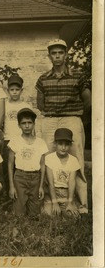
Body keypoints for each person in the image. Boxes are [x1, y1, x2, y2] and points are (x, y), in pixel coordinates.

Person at [35, 39, 91, 214]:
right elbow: (40, 104)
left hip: (71, 119)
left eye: (60, 52)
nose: (57, 56)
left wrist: (77, 115)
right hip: (50, 120)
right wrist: (53, 112)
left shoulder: (78, 75)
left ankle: (81, 206)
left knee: (76, 159)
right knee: (47, 159)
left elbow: (88, 100)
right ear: (49, 56)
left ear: (66, 55)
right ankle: (50, 203)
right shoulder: (43, 79)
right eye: (54, 53)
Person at [8, 108, 48, 217]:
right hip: (20, 177)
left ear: (34, 124)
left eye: (29, 123)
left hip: (35, 178)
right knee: (19, 215)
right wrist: (12, 187)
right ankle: (17, 206)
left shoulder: (40, 142)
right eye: (23, 123)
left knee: (35, 215)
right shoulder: (15, 141)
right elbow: (10, 164)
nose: (27, 126)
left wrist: (41, 186)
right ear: (19, 125)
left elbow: (43, 165)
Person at [3, 75, 33, 194]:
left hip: (22, 140)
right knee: (7, 168)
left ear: (21, 90)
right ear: (7, 90)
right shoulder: (4, 105)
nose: (14, 92)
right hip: (8, 139)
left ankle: (21, 193)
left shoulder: (26, 106)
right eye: (12, 89)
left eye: (17, 89)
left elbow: (31, 126)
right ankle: (8, 195)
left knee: (20, 168)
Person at [42, 128, 80, 217]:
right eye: (60, 144)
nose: (63, 147)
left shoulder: (73, 160)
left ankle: (69, 206)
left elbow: (72, 182)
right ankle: (51, 206)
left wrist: (70, 202)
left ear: (70, 145)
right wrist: (54, 202)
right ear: (55, 144)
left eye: (66, 144)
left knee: (73, 216)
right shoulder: (49, 158)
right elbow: (50, 183)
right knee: (48, 215)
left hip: (66, 193)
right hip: (52, 192)